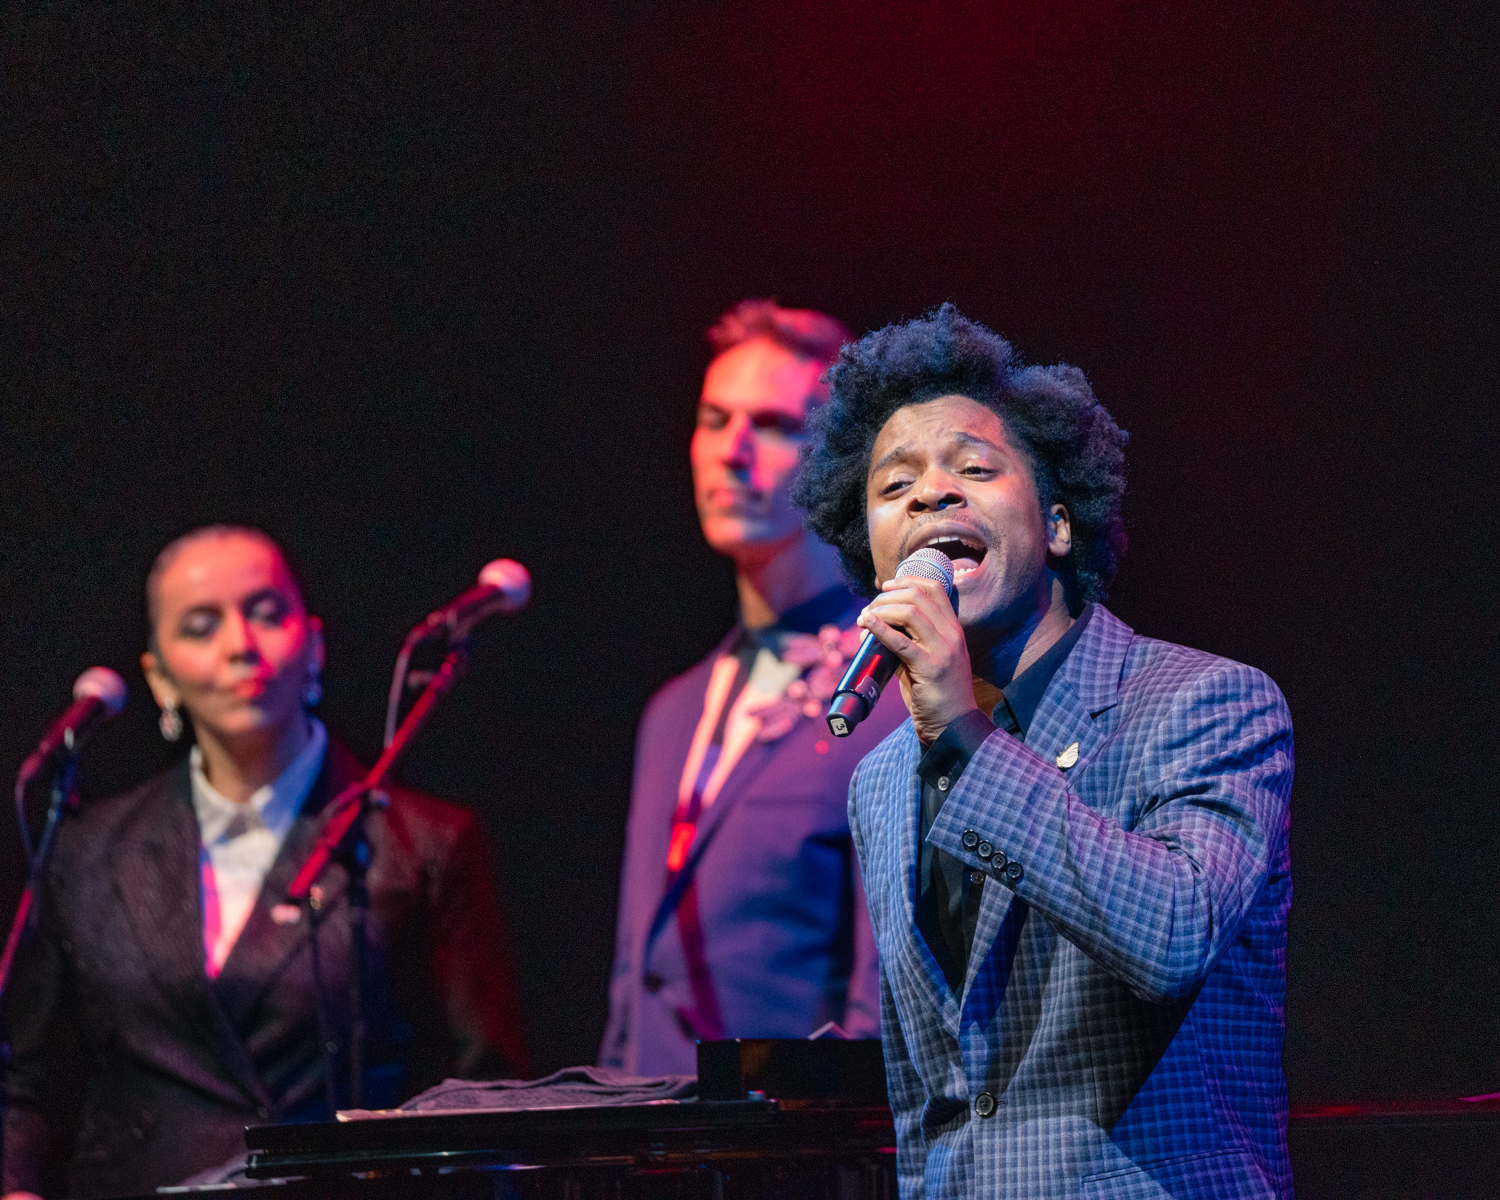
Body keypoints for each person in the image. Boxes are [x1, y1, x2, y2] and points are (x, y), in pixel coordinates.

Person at [792, 304, 1294, 1198]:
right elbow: (930, 1097)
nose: (930, 495)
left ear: (1059, 524)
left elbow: (1173, 934)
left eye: (973, 469)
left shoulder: (1207, 702)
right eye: (894, 486)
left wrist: (965, 736)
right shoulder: (882, 780)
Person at [2, 526, 527, 1200]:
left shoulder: (422, 844)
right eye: (200, 626)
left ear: (314, 645)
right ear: (159, 676)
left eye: (266, 614)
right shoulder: (86, 848)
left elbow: (491, 1095)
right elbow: (26, 1085)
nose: (239, 646)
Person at [598, 300, 909, 1076]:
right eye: (712, 419)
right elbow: (635, 991)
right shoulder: (672, 712)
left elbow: (885, 1006)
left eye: (772, 425)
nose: (732, 451)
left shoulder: (894, 697)